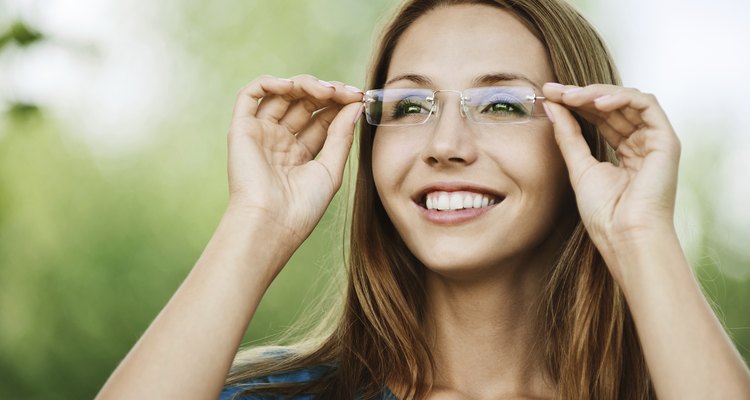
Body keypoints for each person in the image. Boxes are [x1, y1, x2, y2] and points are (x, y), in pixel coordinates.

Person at [97, 0, 750, 399]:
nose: (445, 144)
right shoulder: (259, 395)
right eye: (409, 104)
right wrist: (256, 223)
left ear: (583, 139)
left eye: (501, 103)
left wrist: (642, 236)